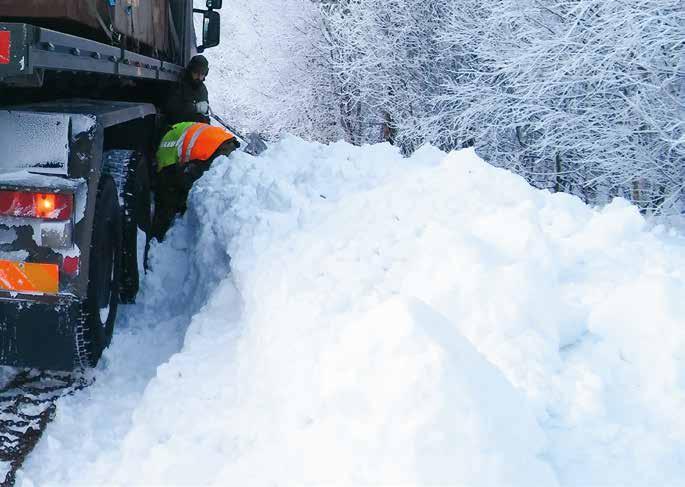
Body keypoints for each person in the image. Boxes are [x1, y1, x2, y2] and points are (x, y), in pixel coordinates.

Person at [152, 122, 240, 241]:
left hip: (212, 150)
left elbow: (176, 182)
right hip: (225, 141)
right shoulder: (179, 127)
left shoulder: (164, 152)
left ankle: (158, 237)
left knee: (168, 197)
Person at [166, 55, 211, 125]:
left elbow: (206, 115)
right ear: (190, 70)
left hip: (196, 129)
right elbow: (172, 110)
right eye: (196, 72)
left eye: (202, 74)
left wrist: (207, 127)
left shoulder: (203, 89)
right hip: (178, 127)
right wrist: (195, 108)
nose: (199, 77)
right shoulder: (179, 83)